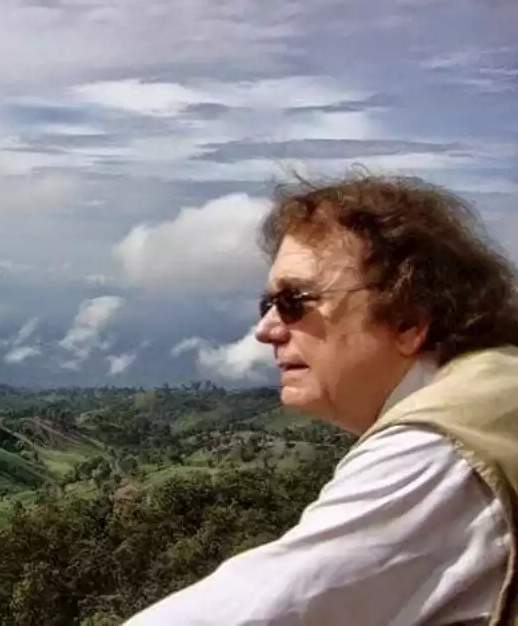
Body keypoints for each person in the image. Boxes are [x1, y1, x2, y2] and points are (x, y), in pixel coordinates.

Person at [126, 170, 518, 625]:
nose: (266, 329)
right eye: (267, 304)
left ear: (409, 319)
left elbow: (273, 605)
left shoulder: (436, 450)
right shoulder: (492, 390)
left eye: (295, 301)